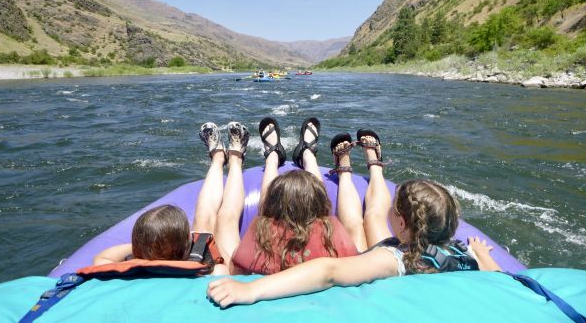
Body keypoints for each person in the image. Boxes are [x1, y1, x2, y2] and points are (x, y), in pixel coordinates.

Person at [207, 129, 501, 307]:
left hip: (372, 266)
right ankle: (359, 164)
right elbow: (498, 279)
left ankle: (344, 165)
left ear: (400, 223)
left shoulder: (392, 259)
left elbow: (328, 271)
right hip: (448, 255)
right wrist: (482, 253)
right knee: (366, 222)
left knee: (369, 219)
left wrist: (251, 289)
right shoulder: (461, 253)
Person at [91, 121, 253, 276]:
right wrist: (215, 250)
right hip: (215, 266)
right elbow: (226, 274)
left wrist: (148, 248)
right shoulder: (211, 273)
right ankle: (235, 160)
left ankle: (218, 159)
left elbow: (102, 257)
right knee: (227, 218)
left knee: (203, 216)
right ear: (186, 246)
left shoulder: (128, 269)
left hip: (162, 253)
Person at [223, 116, 360, 275]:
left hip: (266, 288)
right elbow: (353, 263)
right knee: (319, 207)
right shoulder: (333, 229)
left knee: (259, 215)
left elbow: (237, 269)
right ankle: (308, 154)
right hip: (321, 285)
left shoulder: (260, 228)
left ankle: (272, 156)